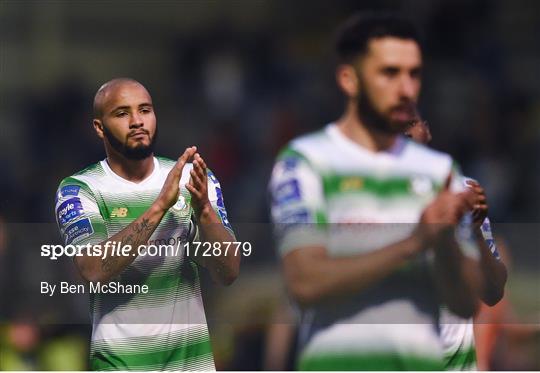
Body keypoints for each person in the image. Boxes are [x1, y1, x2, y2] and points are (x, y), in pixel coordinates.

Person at [269, 13, 483, 370]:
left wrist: (443, 241)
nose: (406, 89)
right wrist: (413, 243)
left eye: (414, 74)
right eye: (389, 73)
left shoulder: (439, 171)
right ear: (348, 79)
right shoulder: (306, 161)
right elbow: (304, 282)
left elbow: (466, 304)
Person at [54, 78, 240, 371]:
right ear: (99, 127)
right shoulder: (79, 189)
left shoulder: (194, 178)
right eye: (122, 113)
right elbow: (92, 270)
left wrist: (204, 209)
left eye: (145, 110)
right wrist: (159, 206)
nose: (137, 121)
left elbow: (228, 271)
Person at [405, 115, 507, 370]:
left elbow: (493, 292)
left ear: (426, 132)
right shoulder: (363, 193)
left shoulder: (463, 189)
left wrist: (476, 232)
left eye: (411, 123)